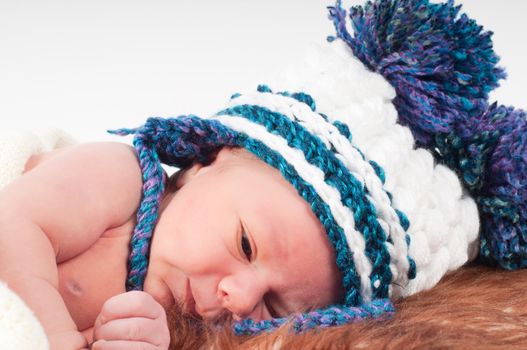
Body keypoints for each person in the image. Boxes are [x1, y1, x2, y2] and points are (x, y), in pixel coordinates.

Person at [1, 0, 526, 349]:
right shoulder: (119, 180)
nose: (241, 296)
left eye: (274, 304)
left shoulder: (175, 324)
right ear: (204, 162)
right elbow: (13, 225)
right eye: (247, 245)